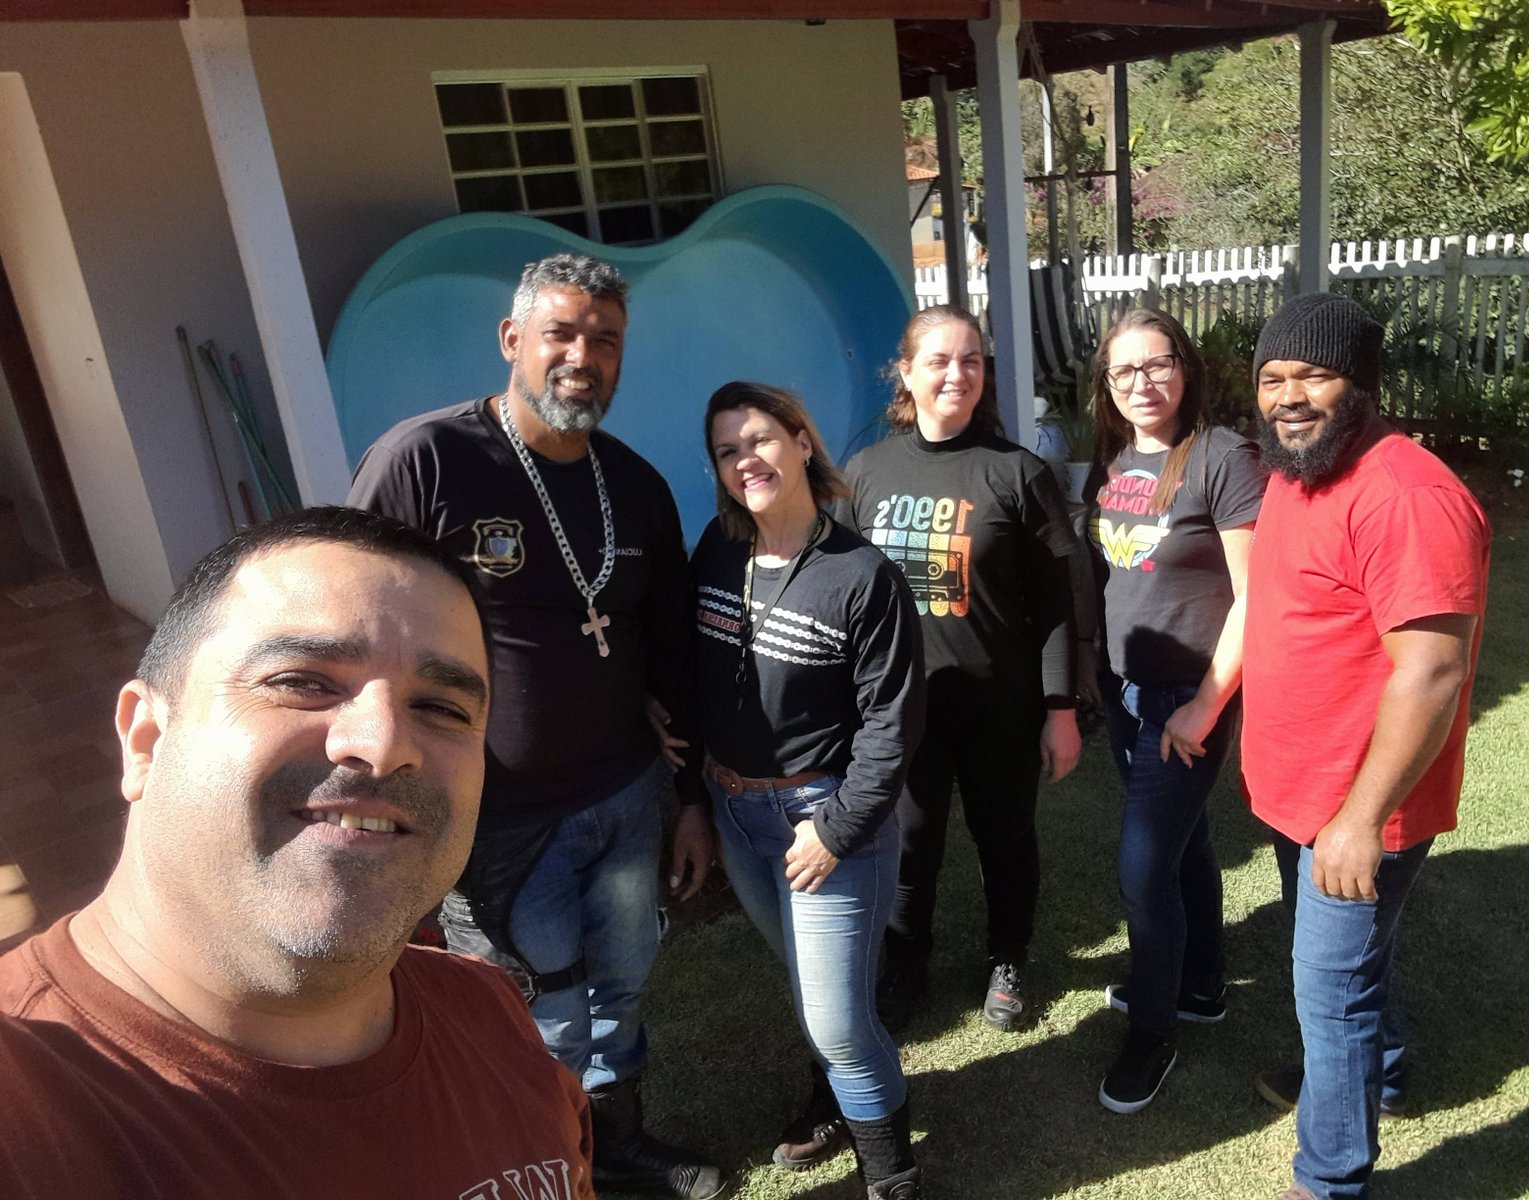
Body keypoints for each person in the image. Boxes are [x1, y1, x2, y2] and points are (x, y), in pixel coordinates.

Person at [0, 507, 596, 1199]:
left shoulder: (486, 1010)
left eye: (443, 709)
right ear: (146, 740)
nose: (383, 745)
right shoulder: (27, 1104)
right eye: (303, 682)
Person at [348, 253, 724, 1199]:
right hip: (503, 820)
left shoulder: (635, 485)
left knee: (622, 988)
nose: (583, 357)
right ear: (513, 339)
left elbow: (671, 652)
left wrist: (689, 799)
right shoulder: (426, 460)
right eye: (561, 333)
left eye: (606, 340)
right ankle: (553, 1169)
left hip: (626, 799)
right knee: (539, 1016)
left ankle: (618, 1147)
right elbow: (358, 627)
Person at [1242, 294, 1490, 1200]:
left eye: (1314, 375)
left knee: (1330, 993)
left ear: (1363, 386)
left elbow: (1432, 672)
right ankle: (1373, 1077)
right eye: (1273, 378)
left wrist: (1359, 821)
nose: (1289, 396)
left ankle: (1329, 1179)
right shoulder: (1297, 471)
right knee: (1345, 971)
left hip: (1356, 812)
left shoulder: (1408, 496)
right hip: (1299, 794)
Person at [692, 382, 926, 1199]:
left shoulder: (862, 575)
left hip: (822, 821)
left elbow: (892, 726)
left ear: (801, 441)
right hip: (736, 813)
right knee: (814, 991)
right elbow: (694, 677)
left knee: (838, 1021)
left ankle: (891, 1176)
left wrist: (834, 829)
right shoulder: (716, 552)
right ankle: (835, 1098)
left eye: (759, 439)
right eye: (727, 451)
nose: (745, 461)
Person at [839, 304, 1087, 1032]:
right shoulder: (868, 471)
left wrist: (1061, 710)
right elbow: (844, 592)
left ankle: (1007, 957)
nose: (958, 373)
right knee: (909, 846)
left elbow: (1058, 606)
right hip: (901, 709)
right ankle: (905, 962)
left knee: (1003, 838)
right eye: (940, 360)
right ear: (906, 373)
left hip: (999, 706)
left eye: (971, 359)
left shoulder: (1017, 472)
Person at [1085, 308, 1266, 1113]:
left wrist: (1206, 703)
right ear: (1106, 384)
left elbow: (1255, 597)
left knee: (1143, 865)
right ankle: (1199, 985)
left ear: (1184, 368)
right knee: (1185, 844)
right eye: (1124, 370)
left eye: (1157, 364)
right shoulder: (1116, 457)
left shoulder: (1224, 457)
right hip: (1127, 690)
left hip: (1186, 697)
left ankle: (1152, 1032)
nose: (1142, 382)